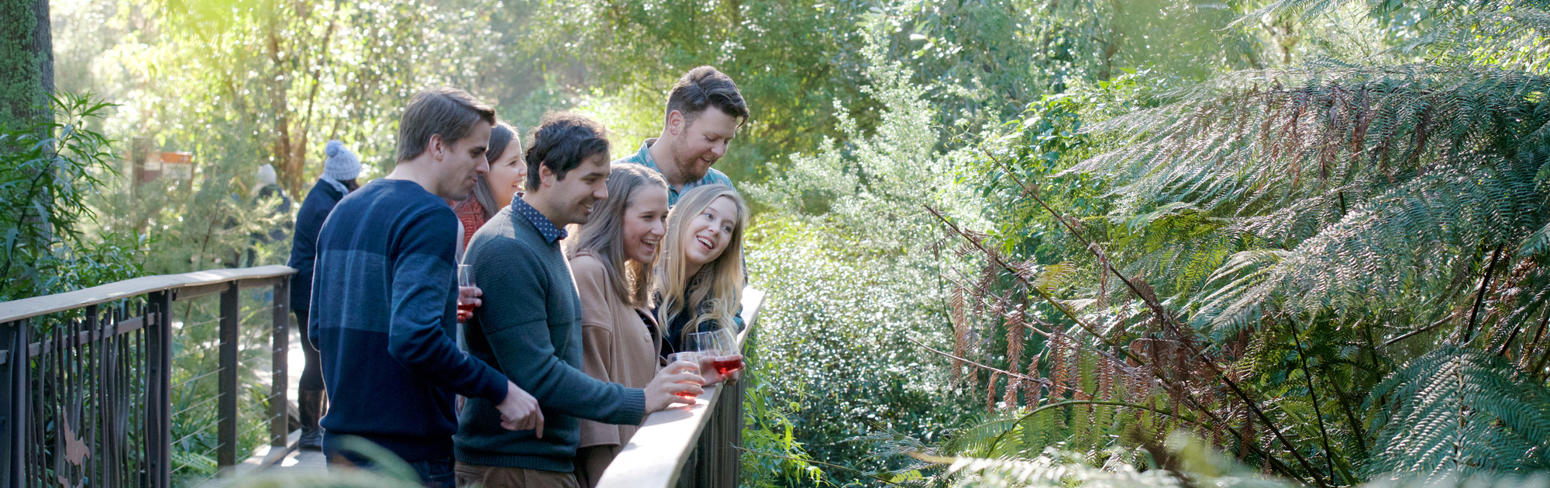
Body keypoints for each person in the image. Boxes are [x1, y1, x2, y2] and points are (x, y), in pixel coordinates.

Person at [454, 113, 704, 488]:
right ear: (548, 172)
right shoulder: (509, 248)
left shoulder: (540, 240)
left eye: (604, 181)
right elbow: (539, 375)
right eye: (591, 180)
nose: (602, 194)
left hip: (537, 465)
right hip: (513, 468)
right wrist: (640, 400)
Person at [309, 88, 543, 487]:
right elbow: (414, 339)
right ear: (437, 145)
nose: (484, 167)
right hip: (407, 457)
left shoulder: (344, 210)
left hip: (344, 451)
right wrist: (501, 388)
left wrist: (438, 302)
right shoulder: (430, 217)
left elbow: (320, 330)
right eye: (475, 152)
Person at [284, 141, 359, 451]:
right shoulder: (322, 206)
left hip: (317, 290)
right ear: (343, 179)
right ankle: (309, 431)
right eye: (353, 179)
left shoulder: (329, 197)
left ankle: (322, 426)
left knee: (324, 359)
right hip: (307, 292)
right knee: (314, 361)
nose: (357, 184)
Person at [612, 66, 749, 206]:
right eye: (711, 138)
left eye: (726, 141)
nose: (719, 151)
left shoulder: (720, 188)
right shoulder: (613, 183)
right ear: (675, 123)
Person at [654, 184, 749, 358]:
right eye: (709, 215)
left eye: (727, 228)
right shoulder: (640, 285)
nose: (715, 229)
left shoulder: (713, 302)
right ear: (684, 215)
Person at [453, 122, 526, 247]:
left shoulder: (525, 215)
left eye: (521, 159)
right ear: (483, 168)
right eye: (513, 163)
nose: (524, 170)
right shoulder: (463, 227)